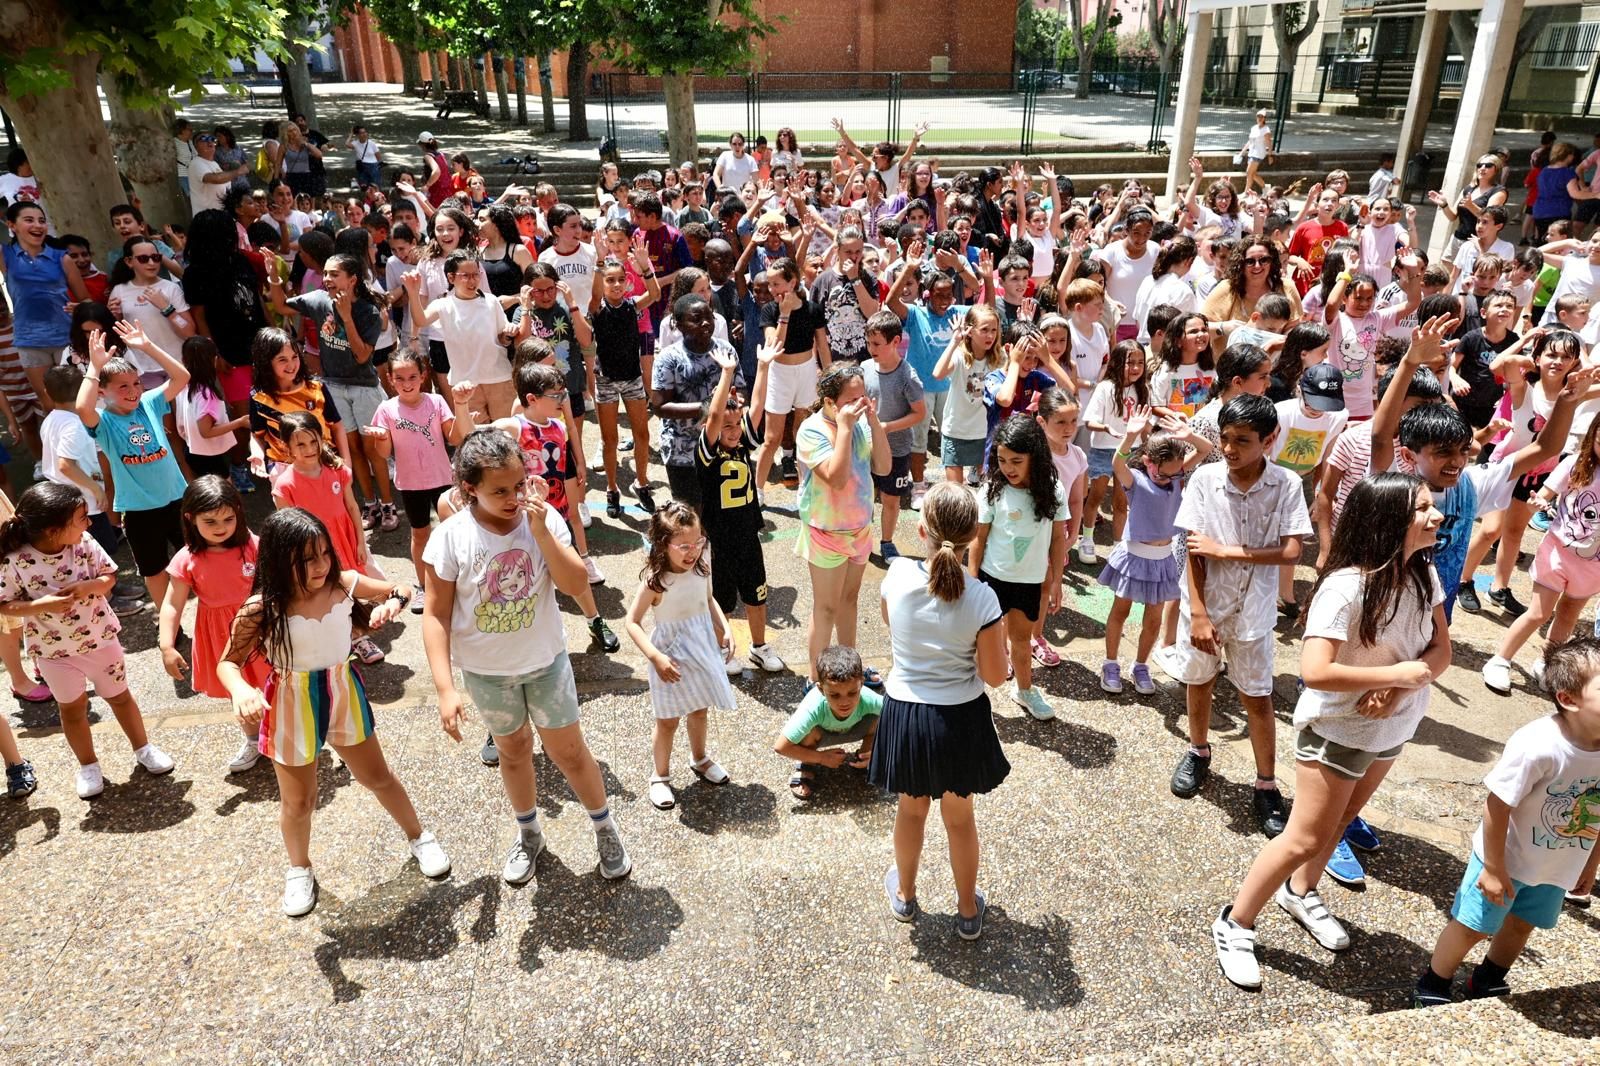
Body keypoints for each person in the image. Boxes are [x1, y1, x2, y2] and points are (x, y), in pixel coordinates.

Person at [1213, 472, 1449, 990]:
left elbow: (1439, 650)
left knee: (1342, 820)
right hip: (1337, 729)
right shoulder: (1345, 588)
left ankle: (1300, 893)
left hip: (1393, 726)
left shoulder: (1422, 575)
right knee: (1304, 837)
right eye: (1422, 508)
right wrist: (1393, 677)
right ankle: (1235, 922)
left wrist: (1401, 689)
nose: (1436, 515)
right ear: (1389, 521)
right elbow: (1315, 670)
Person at [422, 428, 633, 885]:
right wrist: (445, 687)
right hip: (487, 674)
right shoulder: (451, 538)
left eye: (519, 485)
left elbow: (577, 585)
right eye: (499, 490)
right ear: (468, 489)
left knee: (570, 751)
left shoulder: (544, 522)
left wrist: (540, 531)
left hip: (545, 663)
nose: (514, 497)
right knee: (513, 751)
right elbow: (435, 616)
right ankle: (529, 832)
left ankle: (604, 826)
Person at [220, 506, 446, 916]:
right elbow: (227, 662)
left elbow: (402, 589)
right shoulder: (261, 607)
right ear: (278, 558)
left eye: (325, 553)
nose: (321, 565)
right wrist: (239, 690)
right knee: (299, 802)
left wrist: (390, 603)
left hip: (343, 691)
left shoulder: (343, 584)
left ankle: (419, 837)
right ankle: (299, 868)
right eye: (308, 558)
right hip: (291, 699)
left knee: (377, 776)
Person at [1415, 636, 1600, 1006]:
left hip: (1555, 864)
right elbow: (1497, 806)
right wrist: (1494, 869)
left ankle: (1487, 979)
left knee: (1520, 925)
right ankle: (1433, 983)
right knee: (1471, 926)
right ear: (1568, 699)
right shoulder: (1539, 745)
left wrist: (1591, 863)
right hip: (1504, 860)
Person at [869, 480, 1008, 940]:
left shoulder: (897, 576)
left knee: (910, 813)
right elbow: (994, 675)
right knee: (960, 819)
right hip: (960, 718)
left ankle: (906, 897)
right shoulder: (982, 598)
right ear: (972, 534)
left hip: (907, 714)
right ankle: (968, 911)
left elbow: (892, 627)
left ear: (921, 528)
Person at [1168, 395, 1310, 838]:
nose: (1230, 449)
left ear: (1269, 440)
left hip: (1254, 612)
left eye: (1242, 441)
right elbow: (1194, 551)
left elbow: (1292, 550)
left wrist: (1225, 550)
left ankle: (1266, 783)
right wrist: (1196, 613)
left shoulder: (1286, 485)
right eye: (1226, 439)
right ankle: (1198, 750)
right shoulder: (1205, 480)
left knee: (1257, 695)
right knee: (1199, 680)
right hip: (1206, 606)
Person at [1, 480, 178, 803]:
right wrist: (40, 606)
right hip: (54, 652)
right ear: (54, 529)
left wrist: (90, 587)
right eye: (82, 517)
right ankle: (88, 766)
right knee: (71, 709)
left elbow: (109, 576)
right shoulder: (16, 560)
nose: (90, 522)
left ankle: (144, 748)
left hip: (100, 639)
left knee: (121, 697)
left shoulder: (83, 542)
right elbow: (5, 603)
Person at [265, 251, 396, 531]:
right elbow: (280, 305)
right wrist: (274, 276)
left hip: (364, 388)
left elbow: (362, 357)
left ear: (352, 279)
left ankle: (388, 505)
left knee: (372, 451)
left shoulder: (368, 312)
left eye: (334, 274)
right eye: (325, 273)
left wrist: (347, 317)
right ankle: (370, 504)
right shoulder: (318, 300)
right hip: (334, 386)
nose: (327, 279)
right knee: (353, 450)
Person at [624, 501, 737, 811]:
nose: (693, 551)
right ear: (664, 544)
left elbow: (708, 597)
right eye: (684, 545)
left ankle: (699, 758)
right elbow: (631, 622)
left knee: (699, 710)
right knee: (668, 721)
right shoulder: (656, 580)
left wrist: (724, 627)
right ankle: (659, 776)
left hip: (700, 648)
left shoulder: (702, 566)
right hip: (670, 656)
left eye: (698, 542)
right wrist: (655, 656)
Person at [74, 320, 191, 610]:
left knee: (195, 557)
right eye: (123, 386)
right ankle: (169, 621)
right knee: (154, 569)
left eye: (136, 382)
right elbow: (82, 408)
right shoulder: (104, 421)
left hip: (178, 498)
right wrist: (95, 368)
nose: (133, 390)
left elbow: (181, 376)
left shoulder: (150, 402)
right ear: (102, 392)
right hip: (140, 510)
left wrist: (148, 346)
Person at [159, 476, 272, 773]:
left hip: (260, 627)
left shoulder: (252, 545)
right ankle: (253, 740)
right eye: (210, 521)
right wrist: (166, 644)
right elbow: (172, 602)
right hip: (220, 634)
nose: (221, 527)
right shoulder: (187, 558)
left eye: (228, 518)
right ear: (190, 518)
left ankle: (297, 735)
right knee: (240, 689)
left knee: (276, 682)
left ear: (238, 512)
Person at [1098, 406, 1211, 696]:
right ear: (1148, 462)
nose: (1170, 478)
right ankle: (1111, 663)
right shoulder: (1136, 481)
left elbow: (1206, 449)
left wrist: (1188, 435)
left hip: (1163, 559)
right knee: (1120, 610)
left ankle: (1140, 665)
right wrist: (1130, 436)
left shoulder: (1174, 475)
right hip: (1134, 556)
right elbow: (1117, 463)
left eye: (1175, 474)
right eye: (1164, 473)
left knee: (1153, 618)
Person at [1483, 415, 1600, 694]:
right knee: (1538, 612)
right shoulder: (1575, 464)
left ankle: (1548, 663)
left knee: (1568, 615)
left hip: (1593, 566)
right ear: (1592, 437)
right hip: (1557, 553)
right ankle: (1500, 659)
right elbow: (1547, 492)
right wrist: (1539, 501)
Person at [796, 364, 891, 685]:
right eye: (852, 399)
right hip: (826, 533)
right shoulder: (812, 430)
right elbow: (835, 479)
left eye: (863, 396)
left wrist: (873, 420)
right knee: (825, 609)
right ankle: (816, 677)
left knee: (849, 601)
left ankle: (849, 672)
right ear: (829, 402)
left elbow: (884, 465)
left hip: (860, 529)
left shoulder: (861, 424)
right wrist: (847, 426)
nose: (860, 404)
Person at [969, 415, 1066, 721]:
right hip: (990, 580)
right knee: (979, 643)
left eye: (1016, 460)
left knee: (1021, 642)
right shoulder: (991, 490)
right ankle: (968, 697)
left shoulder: (1052, 488)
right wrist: (972, 582)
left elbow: (1058, 538)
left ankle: (1025, 691)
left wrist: (1056, 582)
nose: (1008, 467)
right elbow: (978, 539)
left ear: (1034, 458)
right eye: (1001, 459)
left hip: (1029, 582)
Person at [270, 412, 384, 667]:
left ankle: (359, 637)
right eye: (301, 444)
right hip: (315, 551)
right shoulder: (285, 486)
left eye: (313, 441)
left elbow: (353, 507)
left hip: (344, 541)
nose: (310, 449)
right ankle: (336, 640)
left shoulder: (337, 471)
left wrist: (360, 542)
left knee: (349, 590)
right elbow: (288, 531)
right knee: (325, 592)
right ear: (287, 447)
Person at [697, 339, 784, 673]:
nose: (734, 431)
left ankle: (759, 647)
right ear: (711, 428)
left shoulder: (740, 446)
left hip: (747, 533)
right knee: (722, 599)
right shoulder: (706, 453)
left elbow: (757, 407)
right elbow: (717, 413)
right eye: (727, 427)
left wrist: (762, 367)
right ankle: (723, 649)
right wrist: (727, 374)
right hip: (718, 540)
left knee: (756, 592)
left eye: (737, 425)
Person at [651, 294, 743, 507]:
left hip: (720, 447)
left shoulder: (726, 350)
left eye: (709, 317)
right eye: (696, 318)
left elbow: (741, 390)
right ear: (679, 324)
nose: (705, 323)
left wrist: (736, 405)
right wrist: (707, 408)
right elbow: (659, 406)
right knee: (690, 512)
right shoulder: (669, 358)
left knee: (717, 509)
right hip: (682, 450)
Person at [403, 252, 516, 422]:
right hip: (466, 384)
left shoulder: (491, 302)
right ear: (451, 277)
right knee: (478, 440)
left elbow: (502, 338)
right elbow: (420, 320)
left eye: (476, 275)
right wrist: (413, 293)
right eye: (466, 276)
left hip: (499, 378)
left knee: (508, 433)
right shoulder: (443, 305)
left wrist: (508, 334)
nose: (472, 280)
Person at [3, 202, 88, 415]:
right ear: (11, 225)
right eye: (29, 220)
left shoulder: (63, 258)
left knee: (78, 400)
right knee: (49, 403)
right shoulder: (6, 256)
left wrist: (80, 308)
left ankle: (93, 447)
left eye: (41, 221)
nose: (38, 226)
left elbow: (86, 301)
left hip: (66, 339)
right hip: (29, 341)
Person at [755, 256, 828, 493]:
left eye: (776, 284)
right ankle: (758, 491)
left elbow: (823, 346)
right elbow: (774, 346)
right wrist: (783, 315)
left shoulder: (812, 309)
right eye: (770, 284)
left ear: (793, 282)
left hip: (806, 373)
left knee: (804, 434)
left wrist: (828, 377)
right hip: (780, 374)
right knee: (772, 438)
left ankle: (807, 485)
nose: (771, 290)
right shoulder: (769, 310)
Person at [776, 644, 879, 801]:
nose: (844, 702)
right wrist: (821, 758)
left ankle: (865, 758)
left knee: (882, 719)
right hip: (821, 735)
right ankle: (806, 764)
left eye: (852, 693)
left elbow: (900, 723)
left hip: (857, 728)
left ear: (862, 684)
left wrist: (880, 754)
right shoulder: (814, 705)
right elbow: (781, 746)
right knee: (807, 733)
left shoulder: (869, 698)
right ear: (821, 689)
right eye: (835, 695)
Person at [863, 310, 925, 559]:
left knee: (890, 499)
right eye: (868, 343)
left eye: (877, 344)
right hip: (866, 446)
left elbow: (919, 413)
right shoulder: (865, 368)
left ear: (896, 342)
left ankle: (886, 541)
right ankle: (861, 537)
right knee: (865, 497)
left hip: (897, 449)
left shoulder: (907, 376)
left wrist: (887, 427)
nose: (871, 349)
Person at [932, 303, 1004, 487]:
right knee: (956, 493)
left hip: (985, 432)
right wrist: (954, 341)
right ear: (970, 331)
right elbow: (938, 373)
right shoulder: (959, 355)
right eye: (984, 330)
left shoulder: (999, 357)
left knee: (988, 490)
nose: (990, 335)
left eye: (994, 330)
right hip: (956, 431)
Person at [1241, 110, 1273, 193]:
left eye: (1261, 117)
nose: (1259, 118)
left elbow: (1269, 143)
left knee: (1249, 173)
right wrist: (1243, 151)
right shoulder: (1254, 128)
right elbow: (1250, 141)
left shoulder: (1266, 130)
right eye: (1258, 116)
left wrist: (1270, 155)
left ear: (1264, 118)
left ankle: (1246, 192)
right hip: (1251, 153)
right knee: (1253, 174)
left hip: (1258, 154)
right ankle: (1265, 188)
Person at [347, 124, 384, 189]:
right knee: (364, 187)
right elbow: (347, 144)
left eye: (365, 132)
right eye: (361, 133)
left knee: (375, 186)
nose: (364, 134)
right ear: (358, 135)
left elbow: (378, 156)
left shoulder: (371, 143)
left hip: (373, 166)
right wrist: (351, 134)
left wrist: (377, 165)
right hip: (362, 166)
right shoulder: (356, 143)